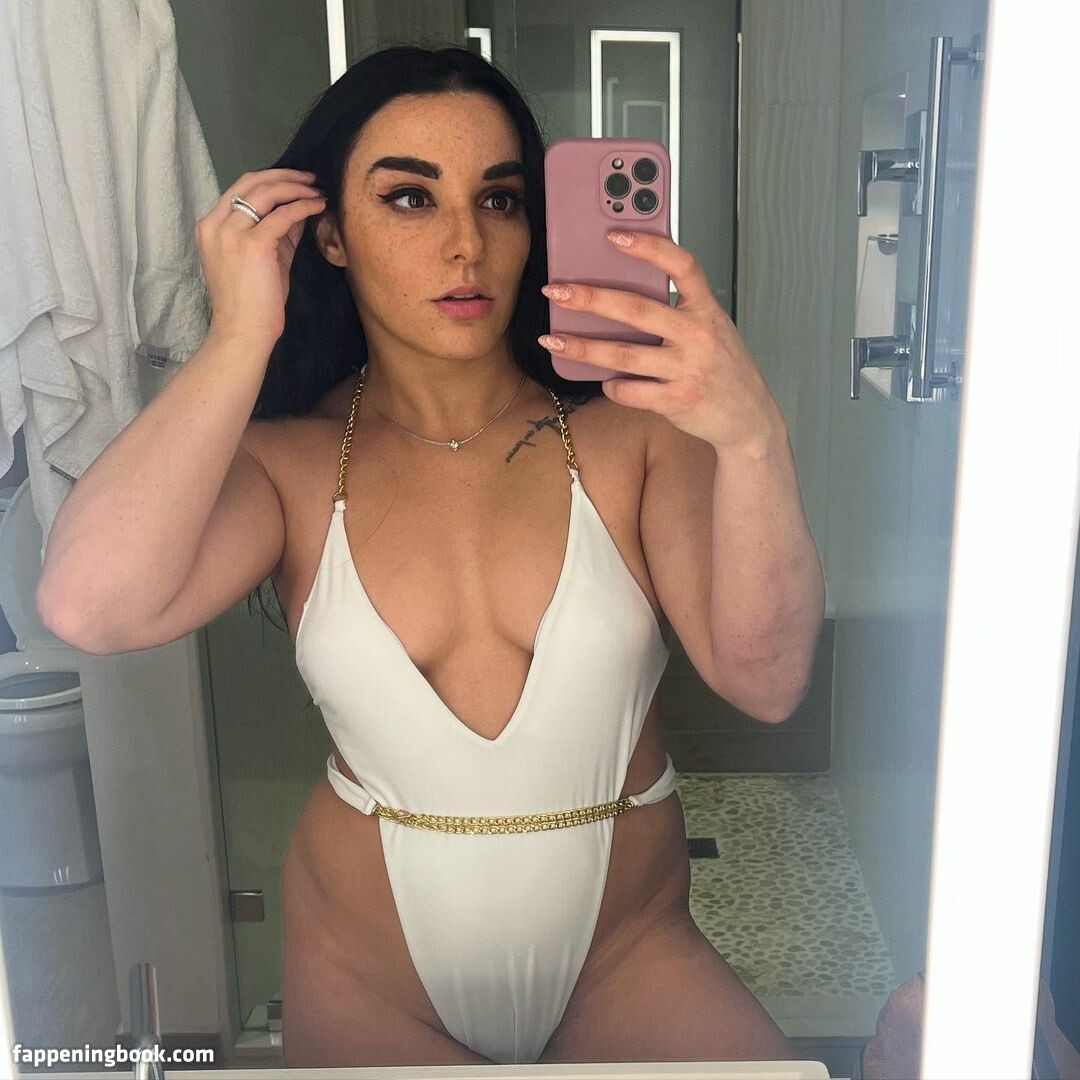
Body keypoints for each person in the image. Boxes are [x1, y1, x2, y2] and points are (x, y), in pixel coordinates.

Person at [39, 44, 824, 1069]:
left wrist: (754, 437)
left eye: (500, 201)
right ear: (330, 234)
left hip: (627, 961)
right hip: (372, 984)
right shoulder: (290, 463)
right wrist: (239, 336)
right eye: (410, 199)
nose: (467, 244)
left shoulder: (633, 435)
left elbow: (768, 682)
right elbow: (90, 606)